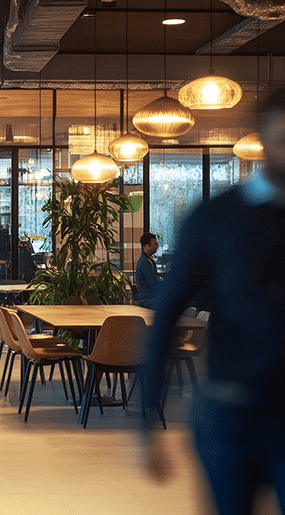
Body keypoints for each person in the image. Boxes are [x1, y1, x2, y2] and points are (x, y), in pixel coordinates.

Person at [141, 89, 285, 515]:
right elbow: (165, 317)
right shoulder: (217, 217)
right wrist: (148, 421)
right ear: (265, 139)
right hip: (228, 413)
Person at [134, 232, 161, 309]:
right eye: (155, 244)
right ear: (147, 246)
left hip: (150, 297)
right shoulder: (144, 262)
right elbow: (154, 283)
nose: (157, 246)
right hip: (148, 299)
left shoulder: (148, 259)